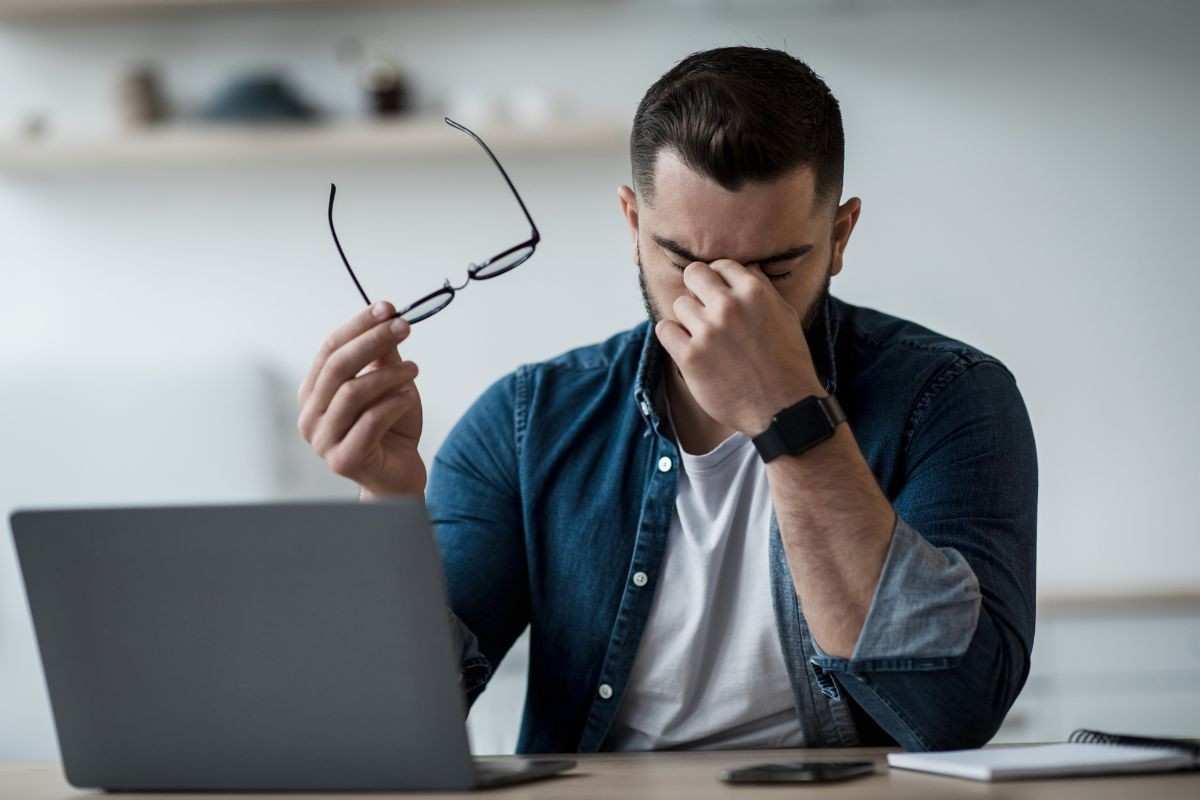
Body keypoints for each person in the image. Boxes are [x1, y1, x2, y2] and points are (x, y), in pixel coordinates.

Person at [296, 46, 1037, 753]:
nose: (722, 302)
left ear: (839, 236)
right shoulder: (528, 424)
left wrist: (790, 415)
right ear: (632, 225)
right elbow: (389, 722)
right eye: (683, 260)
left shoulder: (950, 399)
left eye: (771, 271)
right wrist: (386, 501)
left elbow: (953, 711)